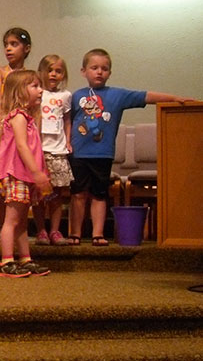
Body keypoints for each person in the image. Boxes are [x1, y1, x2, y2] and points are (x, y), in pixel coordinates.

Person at [68, 49, 193, 246]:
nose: (99, 72)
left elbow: (146, 96)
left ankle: (97, 234)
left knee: (99, 194)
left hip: (103, 154)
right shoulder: (76, 96)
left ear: (109, 72)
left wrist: (175, 98)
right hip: (78, 153)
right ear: (84, 71)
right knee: (78, 194)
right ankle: (75, 234)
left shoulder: (117, 95)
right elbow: (68, 121)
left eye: (104, 68)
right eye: (94, 68)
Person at [0, 70, 52, 278]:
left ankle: (25, 258)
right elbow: (22, 146)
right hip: (17, 174)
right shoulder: (18, 117)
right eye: (35, 86)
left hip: (26, 175)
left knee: (21, 220)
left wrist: (39, 172)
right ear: (20, 92)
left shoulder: (28, 119)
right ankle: (6, 261)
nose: (41, 90)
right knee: (11, 220)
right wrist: (36, 172)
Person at [0, 28, 33, 226]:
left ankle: (20, 230)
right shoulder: (0, 71)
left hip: (24, 132)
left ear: (26, 48)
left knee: (22, 182)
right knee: (4, 181)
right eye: (6, 45)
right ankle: (5, 229)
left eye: (14, 44)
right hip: (5, 132)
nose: (8, 49)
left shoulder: (29, 75)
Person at [32, 55, 72, 246]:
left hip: (58, 150)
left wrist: (68, 141)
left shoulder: (65, 96)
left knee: (57, 194)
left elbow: (67, 120)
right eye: (49, 70)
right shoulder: (38, 94)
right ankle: (41, 230)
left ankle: (55, 230)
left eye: (58, 71)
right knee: (40, 195)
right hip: (40, 150)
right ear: (41, 72)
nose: (53, 74)